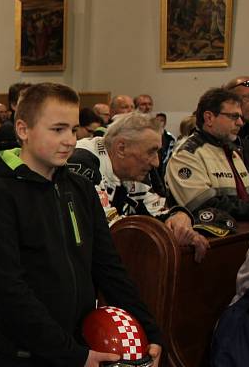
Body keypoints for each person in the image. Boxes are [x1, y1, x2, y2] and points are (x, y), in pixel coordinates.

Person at [0, 82, 162, 367]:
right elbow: (10, 291)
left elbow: (108, 268)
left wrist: (148, 331)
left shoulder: (78, 186)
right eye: (57, 129)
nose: (69, 140)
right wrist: (75, 356)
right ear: (23, 129)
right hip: (26, 359)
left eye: (73, 130)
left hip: (86, 348)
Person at [68, 112, 208, 262]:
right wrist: (165, 233)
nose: (156, 163)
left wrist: (179, 217)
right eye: (151, 151)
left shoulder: (133, 169)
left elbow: (156, 212)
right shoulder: (82, 161)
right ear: (121, 148)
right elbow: (108, 229)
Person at [166, 87, 249, 221]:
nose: (240, 123)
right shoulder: (187, 154)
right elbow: (204, 206)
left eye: (240, 117)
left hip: (242, 233)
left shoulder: (232, 151)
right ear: (209, 118)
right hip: (211, 237)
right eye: (234, 116)